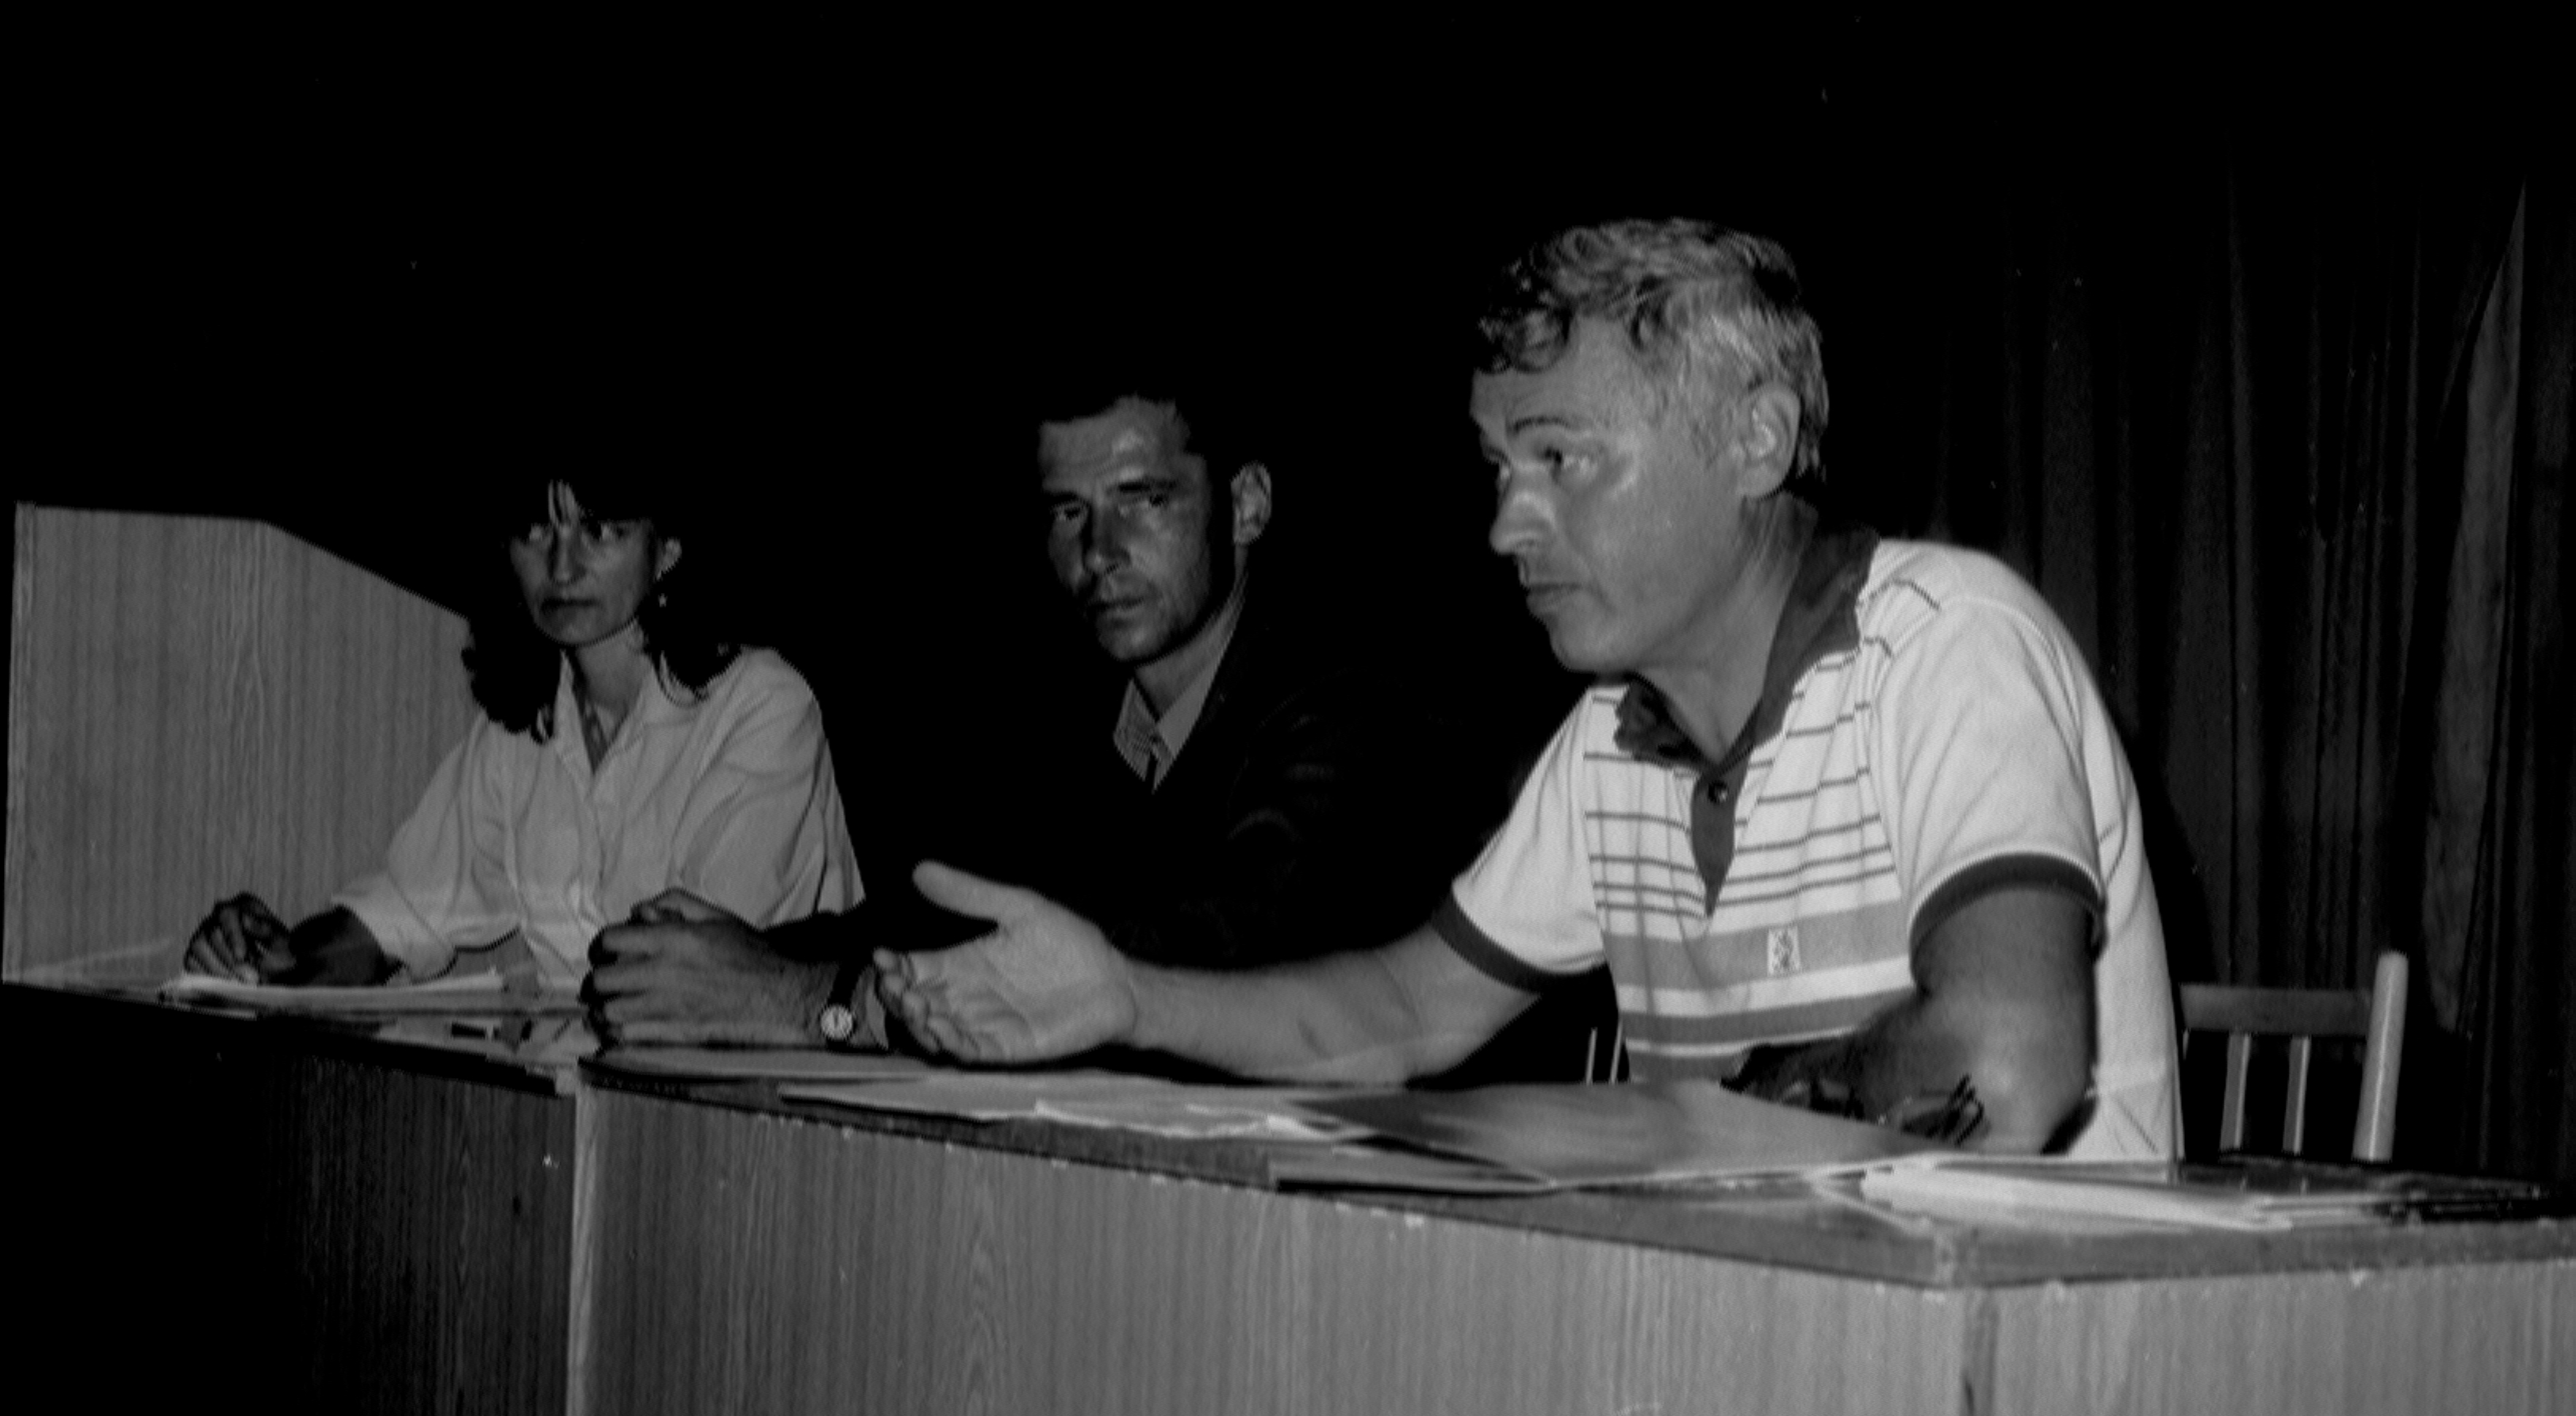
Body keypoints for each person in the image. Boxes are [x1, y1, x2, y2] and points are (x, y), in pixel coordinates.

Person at [874, 220, 2180, 1159]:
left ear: (1754, 438)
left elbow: (2007, 1061)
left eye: (1561, 457)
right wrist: (1124, 994)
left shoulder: (1948, 645)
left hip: (2043, 1377)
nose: (1507, 523)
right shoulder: (1611, 740)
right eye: (1500, 468)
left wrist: (1682, 1123)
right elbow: (1401, 1014)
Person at [580, 381, 1474, 1048]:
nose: (1099, 550)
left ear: (1246, 506)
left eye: (1143, 499)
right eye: (1069, 511)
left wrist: (803, 1001)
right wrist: (729, 958)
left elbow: (1207, 963)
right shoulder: (1084, 719)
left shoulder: (1350, 705)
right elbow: (942, 917)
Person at [185, 478, 859, 989]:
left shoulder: (763, 706)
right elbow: (401, 913)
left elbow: (689, 970)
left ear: (668, 550)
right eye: (537, 530)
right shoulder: (522, 730)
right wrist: (275, 960)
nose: (561, 567)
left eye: (599, 531)